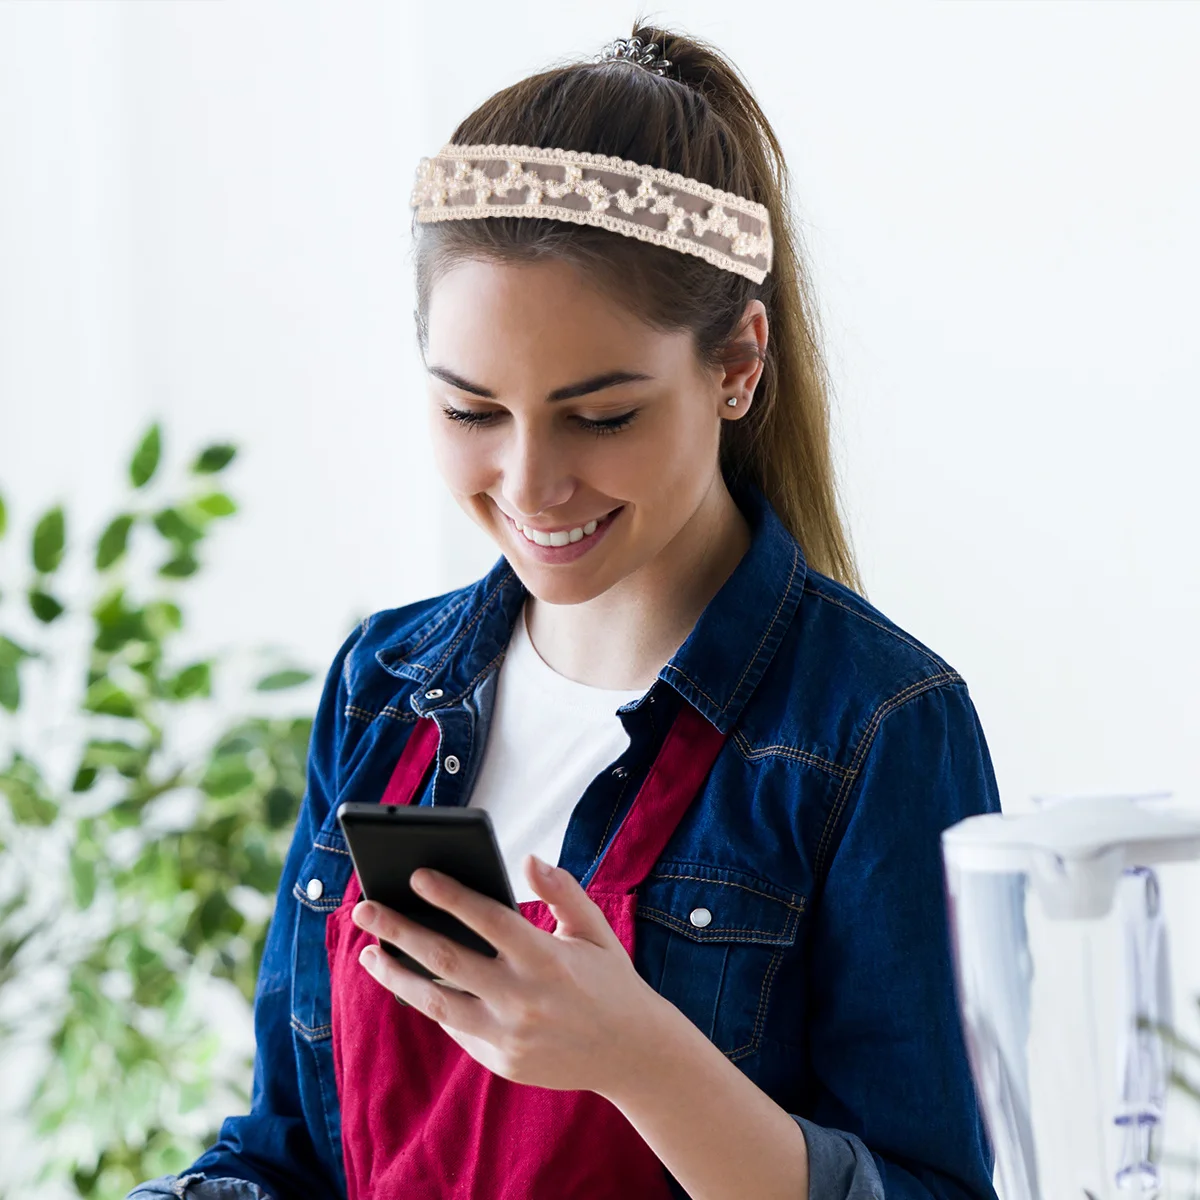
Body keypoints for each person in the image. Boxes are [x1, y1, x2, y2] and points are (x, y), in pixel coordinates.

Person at [130, 24, 1000, 1200]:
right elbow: (292, 1151)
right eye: (471, 410)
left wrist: (641, 1061)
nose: (531, 486)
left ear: (738, 362)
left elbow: (934, 1188)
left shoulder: (873, 728)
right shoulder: (383, 684)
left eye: (601, 417)